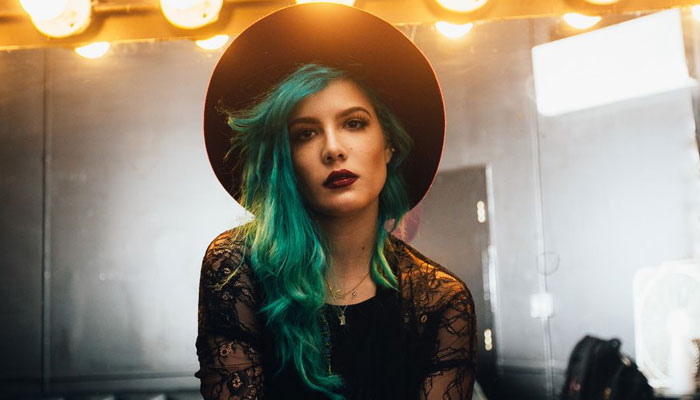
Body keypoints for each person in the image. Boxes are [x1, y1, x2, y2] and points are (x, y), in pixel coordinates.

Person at [195, 3, 477, 399]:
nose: (333, 148)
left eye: (354, 123)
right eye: (305, 134)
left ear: (389, 144)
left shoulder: (441, 301)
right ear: (285, 161)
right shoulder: (236, 267)